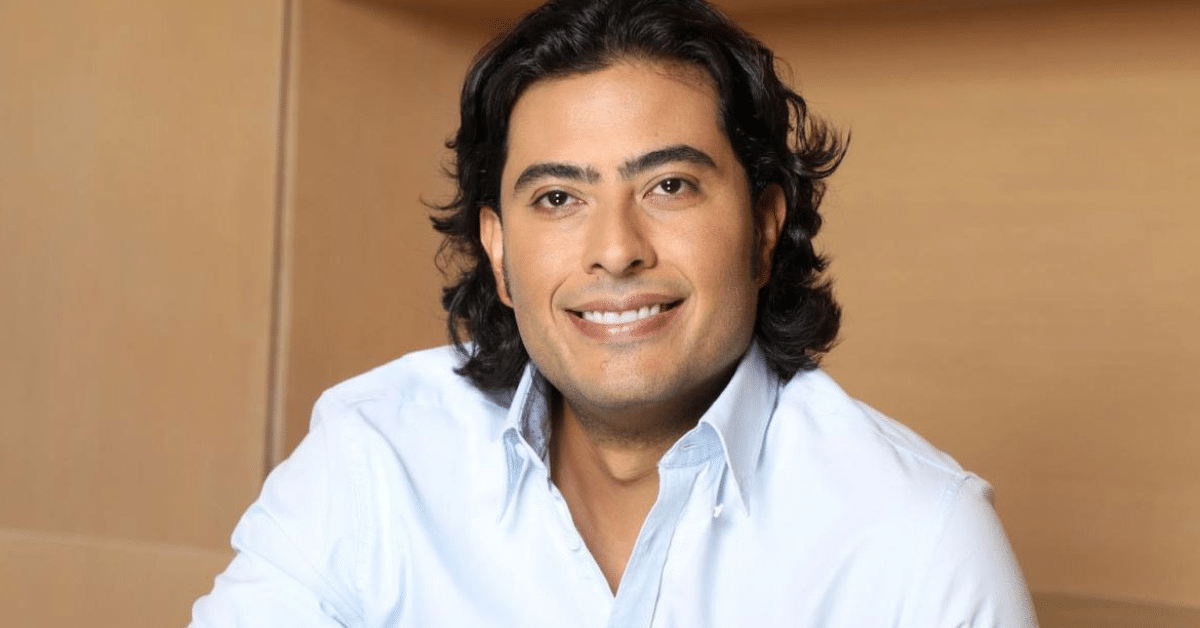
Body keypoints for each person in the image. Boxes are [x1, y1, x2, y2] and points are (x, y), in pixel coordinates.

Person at [190, 0, 1038, 625]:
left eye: (669, 186)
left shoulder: (919, 541)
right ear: (498, 252)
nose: (616, 250)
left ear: (764, 227)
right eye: (558, 197)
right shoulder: (372, 463)